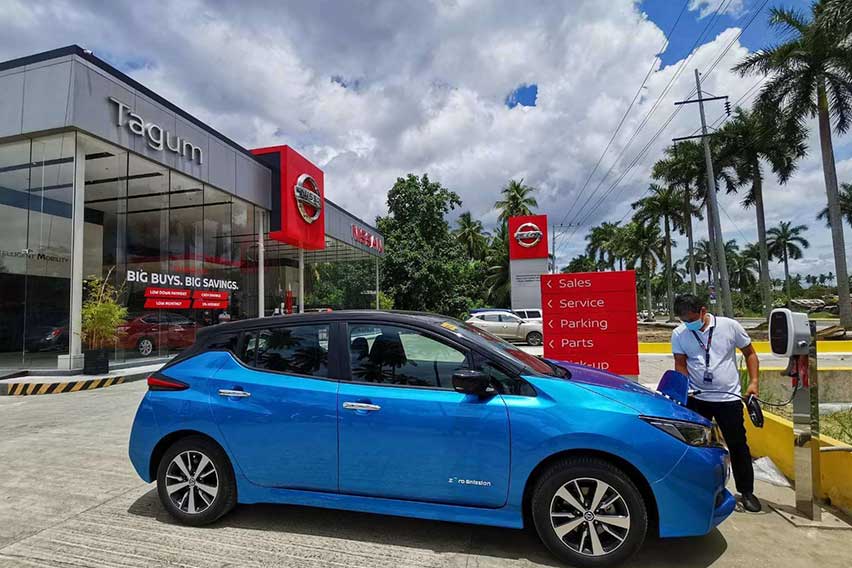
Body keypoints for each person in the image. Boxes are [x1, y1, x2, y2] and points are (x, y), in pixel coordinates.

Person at [671, 294, 762, 513]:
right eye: (683, 320)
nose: (687, 323)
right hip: (697, 399)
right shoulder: (679, 334)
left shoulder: (730, 326)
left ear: (703, 311)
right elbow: (680, 364)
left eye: (691, 318)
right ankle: (694, 491)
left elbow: (750, 353)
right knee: (693, 447)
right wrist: (684, 392)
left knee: (737, 445)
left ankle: (746, 492)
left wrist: (754, 383)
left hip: (727, 399)